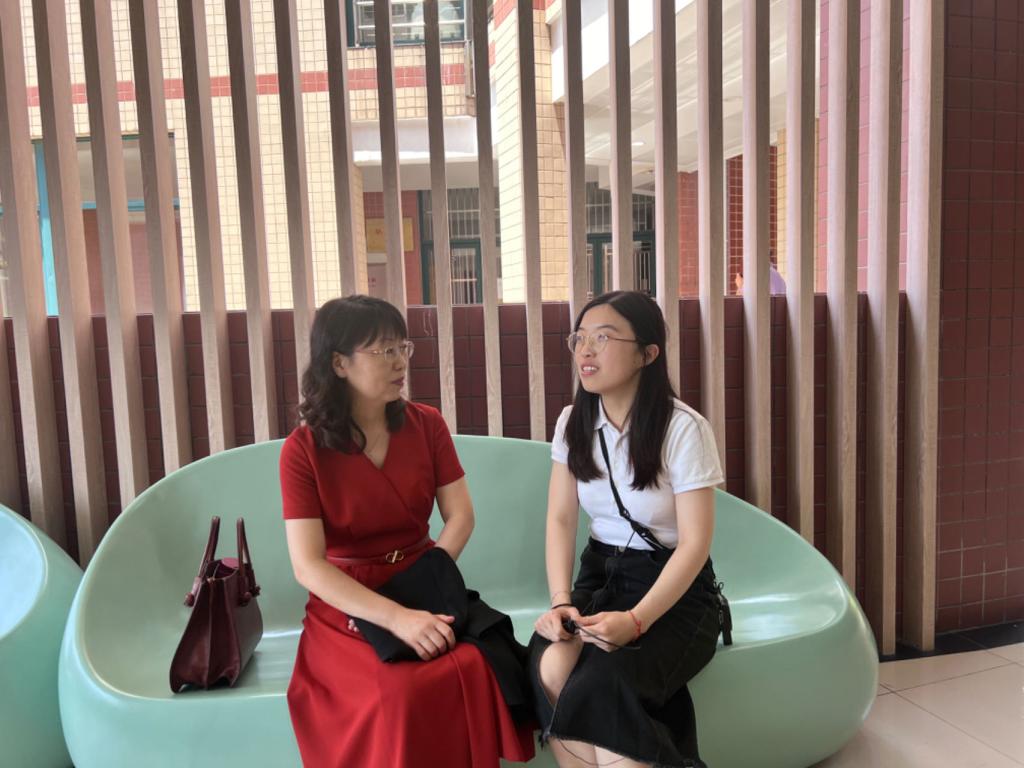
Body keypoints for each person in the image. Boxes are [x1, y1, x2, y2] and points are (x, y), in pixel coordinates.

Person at [280, 295, 535, 768]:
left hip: (424, 581)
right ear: (339, 363)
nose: (400, 362)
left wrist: (425, 583)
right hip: (350, 603)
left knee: (474, 664)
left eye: (403, 347)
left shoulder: (427, 424)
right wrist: (395, 617)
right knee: (397, 691)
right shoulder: (303, 450)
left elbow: (461, 517)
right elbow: (308, 565)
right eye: (384, 351)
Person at [530, 290, 726, 768]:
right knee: (549, 663)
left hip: (673, 591)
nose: (585, 350)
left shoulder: (683, 428)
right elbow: (561, 518)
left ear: (647, 353)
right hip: (601, 577)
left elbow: (695, 543)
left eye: (603, 337)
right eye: (579, 338)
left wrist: (637, 621)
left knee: (604, 681)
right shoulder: (573, 421)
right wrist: (560, 602)